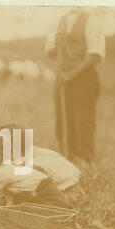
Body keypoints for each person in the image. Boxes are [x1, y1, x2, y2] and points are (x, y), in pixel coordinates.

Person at [45, 8, 105, 163]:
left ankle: (86, 161)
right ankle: (67, 159)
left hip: (83, 79)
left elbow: (94, 54)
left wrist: (71, 74)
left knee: (83, 121)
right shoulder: (60, 21)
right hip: (62, 80)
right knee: (63, 120)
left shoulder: (91, 20)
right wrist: (54, 46)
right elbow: (50, 52)